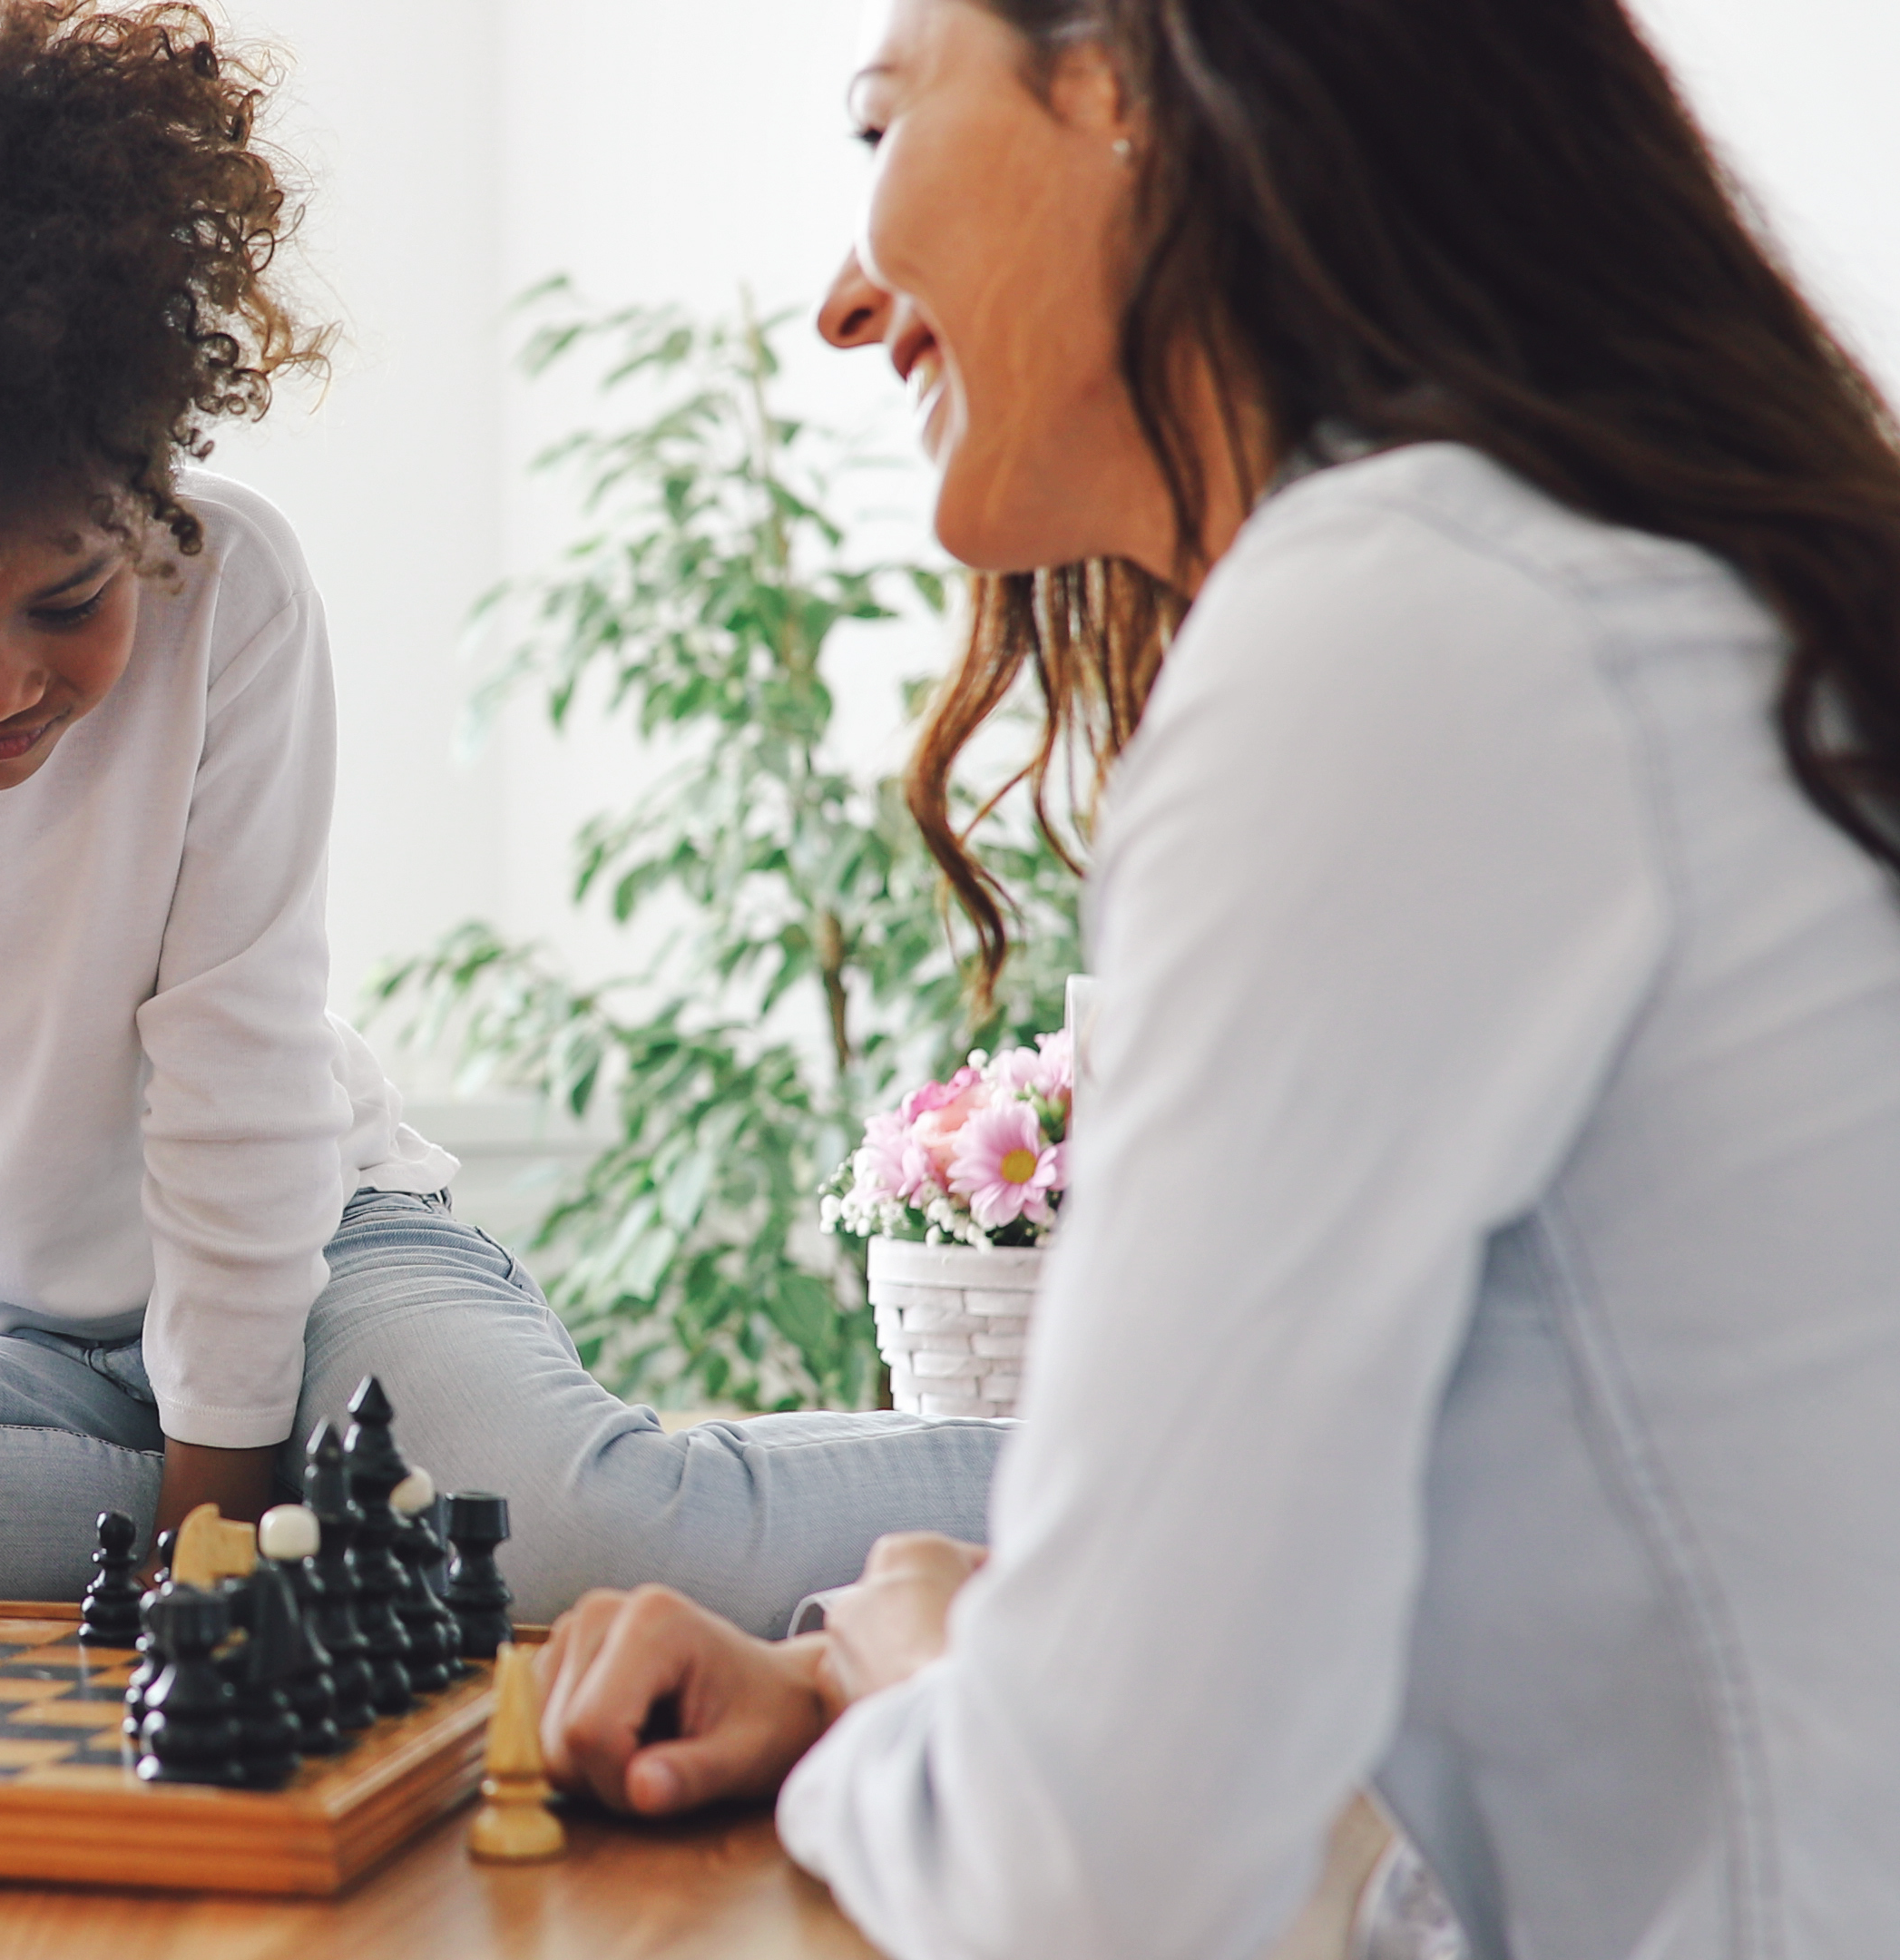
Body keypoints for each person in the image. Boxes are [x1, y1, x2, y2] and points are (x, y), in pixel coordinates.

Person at [530, 1, 1900, 1955]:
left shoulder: (1403, 628)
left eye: (875, 122)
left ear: (1122, 77)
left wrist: (919, 1691)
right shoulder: (1646, 591)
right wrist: (926, 1684)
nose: (843, 303)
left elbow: (1089, 1876)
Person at [0, 0, 1006, 1616]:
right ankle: (388, 1545)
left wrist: (218, 1531)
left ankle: (1109, 1467)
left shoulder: (236, 590)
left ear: (147, 497)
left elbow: (236, 1066)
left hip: (325, 1268)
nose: (1, 685)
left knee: (576, 1546)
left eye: (72, 596)